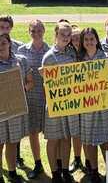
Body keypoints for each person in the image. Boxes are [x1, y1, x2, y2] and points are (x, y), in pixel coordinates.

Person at [78, 28, 108, 182]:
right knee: (89, 140)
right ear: (82, 42)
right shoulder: (79, 60)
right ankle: (94, 172)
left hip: (104, 104)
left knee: (107, 139)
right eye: (86, 39)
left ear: (97, 40)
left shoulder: (106, 57)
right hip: (87, 105)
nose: (89, 42)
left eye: (92, 39)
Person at [41, 21, 79, 183]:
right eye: (62, 34)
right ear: (56, 35)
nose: (65, 37)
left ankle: (65, 170)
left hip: (70, 104)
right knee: (54, 139)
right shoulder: (49, 57)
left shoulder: (72, 54)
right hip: (54, 105)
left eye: (68, 35)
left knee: (66, 138)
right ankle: (55, 173)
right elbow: (46, 86)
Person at [17, 20, 50, 179]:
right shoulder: (22, 51)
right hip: (30, 97)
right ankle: (38, 163)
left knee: (53, 134)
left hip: (48, 98)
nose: (36, 33)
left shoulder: (50, 50)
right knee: (33, 132)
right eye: (33, 31)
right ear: (28, 32)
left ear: (44, 31)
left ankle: (57, 166)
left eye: (39, 30)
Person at [0, 33, 33, 183]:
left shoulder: (21, 61)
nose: (1, 46)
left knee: (12, 142)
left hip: (15, 109)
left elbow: (30, 82)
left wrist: (20, 90)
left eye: (3, 43)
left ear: (9, 44)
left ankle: (12, 171)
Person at [67, 25, 85, 174]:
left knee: (86, 129)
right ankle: (77, 158)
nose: (76, 41)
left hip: (88, 97)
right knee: (75, 130)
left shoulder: (88, 53)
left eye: (78, 38)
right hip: (72, 97)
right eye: (73, 38)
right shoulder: (67, 53)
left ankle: (89, 160)